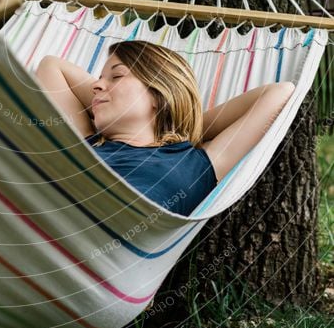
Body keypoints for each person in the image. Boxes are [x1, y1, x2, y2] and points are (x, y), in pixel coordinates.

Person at [35, 40, 295, 216]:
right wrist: (107, 99)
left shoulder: (196, 164)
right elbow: (51, 66)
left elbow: (279, 93)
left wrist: (180, 121)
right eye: (100, 79)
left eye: (116, 75)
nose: (96, 85)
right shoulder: (86, 142)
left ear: (160, 95)